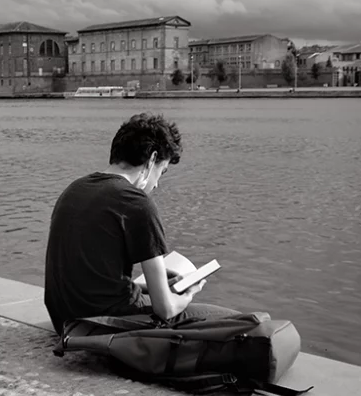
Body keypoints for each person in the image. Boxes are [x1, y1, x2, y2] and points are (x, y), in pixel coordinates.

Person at [44, 112, 239, 335]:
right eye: (162, 172)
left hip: (65, 323)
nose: (156, 185)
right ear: (152, 159)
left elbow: (92, 278)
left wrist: (148, 287)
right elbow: (165, 309)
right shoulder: (136, 203)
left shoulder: (74, 189)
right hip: (107, 327)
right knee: (241, 322)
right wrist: (188, 293)